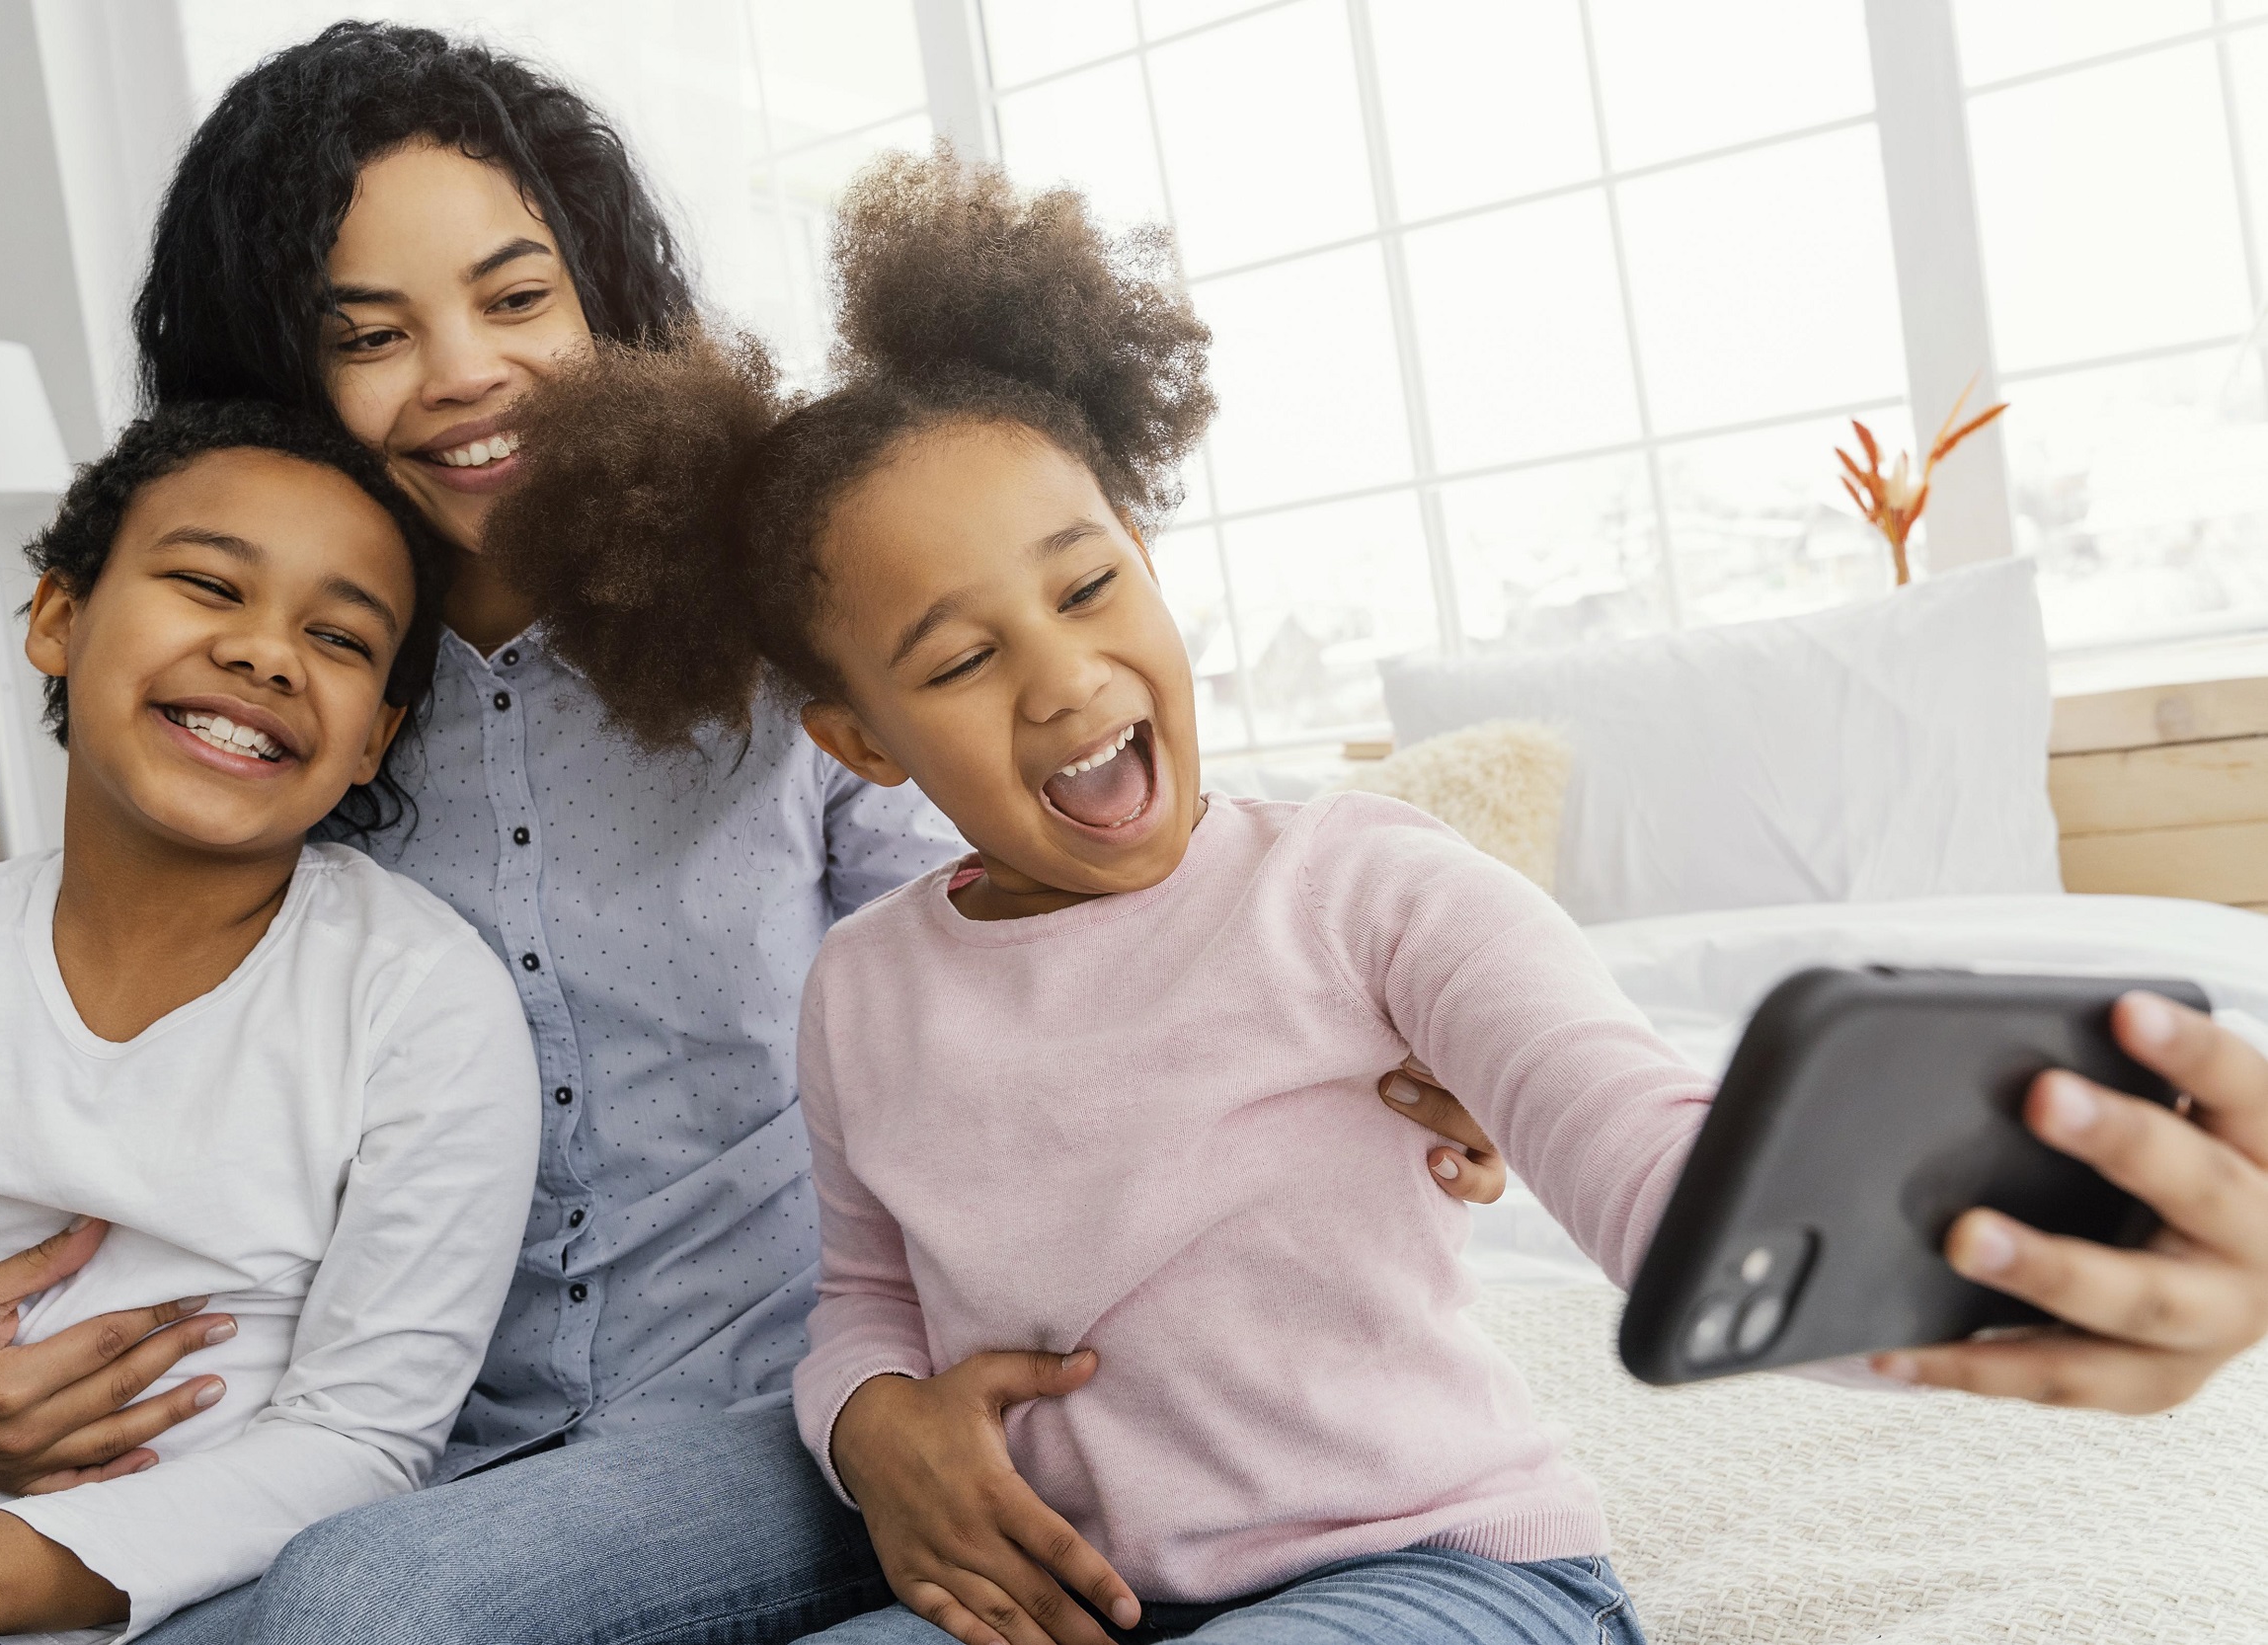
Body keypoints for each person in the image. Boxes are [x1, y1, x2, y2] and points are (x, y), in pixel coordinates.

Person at [0, 27, 1504, 1645]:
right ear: (283, 367)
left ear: (602, 296)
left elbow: (1055, 915)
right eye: (371, 331)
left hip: (786, 1407)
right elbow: (52, 1081)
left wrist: (1369, 1030)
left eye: (516, 295)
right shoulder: (293, 696)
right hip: (408, 1436)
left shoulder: (798, 613)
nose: (467, 376)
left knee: (361, 1614)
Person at [494, 147, 2268, 1645]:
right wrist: (873, 1417)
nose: (1060, 674)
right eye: (958, 659)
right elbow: (865, 1292)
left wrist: (1990, 1268)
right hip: (1094, 1597)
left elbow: (1654, 1162)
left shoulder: (1365, 884)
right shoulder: (864, 986)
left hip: (1432, 1575)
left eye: (1090, 581)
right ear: (857, 741)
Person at [0, 401, 538, 1643]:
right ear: (58, 617)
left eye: (340, 638)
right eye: (207, 583)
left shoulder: (420, 999)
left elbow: (362, 1440)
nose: (265, 655)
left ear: (377, 739)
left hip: (184, 1602)